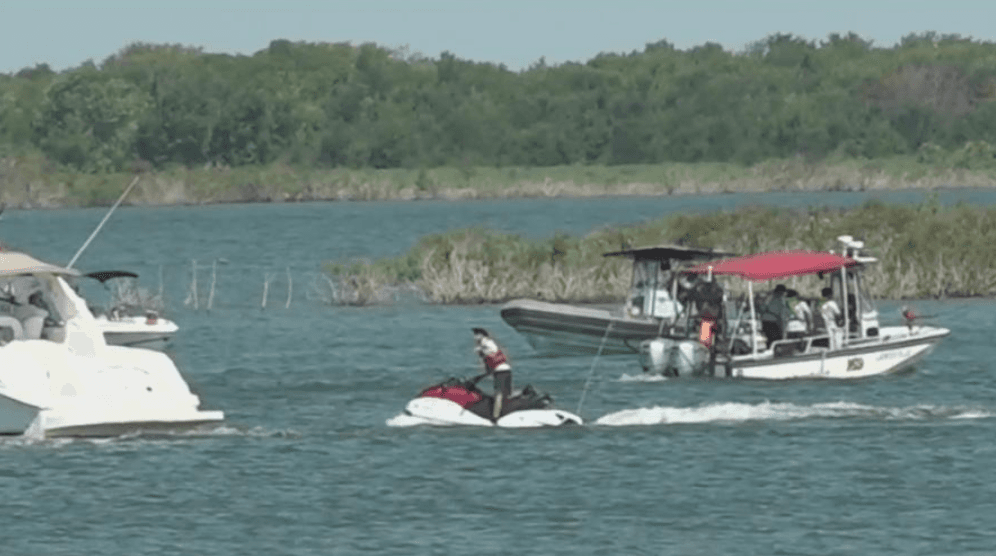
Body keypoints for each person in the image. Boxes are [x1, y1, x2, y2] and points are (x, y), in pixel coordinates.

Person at [472, 327, 512, 421]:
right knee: (505, 393)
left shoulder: (486, 343)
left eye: (476, 334)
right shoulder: (483, 344)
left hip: (501, 371)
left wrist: (481, 351)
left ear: (482, 335)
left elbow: (491, 354)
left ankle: (495, 418)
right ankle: (503, 413)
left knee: (498, 393)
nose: (474, 337)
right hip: (504, 370)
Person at [759, 284, 790, 348]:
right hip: (774, 322)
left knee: (769, 340)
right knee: (775, 340)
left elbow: (762, 308)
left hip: (765, 320)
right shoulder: (781, 300)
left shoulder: (769, 298)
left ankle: (769, 351)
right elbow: (782, 314)